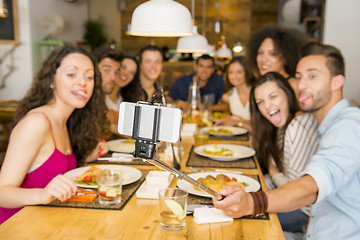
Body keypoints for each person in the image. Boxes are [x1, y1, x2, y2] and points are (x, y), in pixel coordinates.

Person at [213, 42, 360, 239]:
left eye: (313, 76)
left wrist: (251, 203)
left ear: (337, 82)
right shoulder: (322, 124)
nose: (302, 85)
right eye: (299, 77)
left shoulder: (349, 125)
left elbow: (311, 188)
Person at [0, 46, 109, 225]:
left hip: (46, 223)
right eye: (71, 74)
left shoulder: (65, 122)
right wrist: (42, 194)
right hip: (15, 227)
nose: (83, 82)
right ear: (52, 80)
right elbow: (2, 192)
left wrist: (87, 159)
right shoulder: (37, 123)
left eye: (89, 77)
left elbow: (52, 175)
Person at [250, 71, 319, 233]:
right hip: (294, 205)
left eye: (273, 97)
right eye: (260, 102)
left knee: (246, 220)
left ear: (288, 94)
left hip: (304, 212)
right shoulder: (282, 127)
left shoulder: (298, 125)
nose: (267, 106)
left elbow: (294, 191)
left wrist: (273, 173)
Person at [246, 25, 309, 94]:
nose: (263, 59)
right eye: (260, 52)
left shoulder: (294, 86)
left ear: (286, 58)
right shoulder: (260, 86)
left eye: (272, 54)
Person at [213, 56, 252, 132]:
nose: (234, 76)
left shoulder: (258, 93)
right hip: (240, 138)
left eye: (239, 72)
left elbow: (262, 123)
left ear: (247, 72)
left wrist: (236, 121)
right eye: (231, 72)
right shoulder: (227, 97)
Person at [105, 56, 141, 136]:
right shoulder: (99, 97)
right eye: (123, 67)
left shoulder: (128, 99)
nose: (126, 74)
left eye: (131, 73)